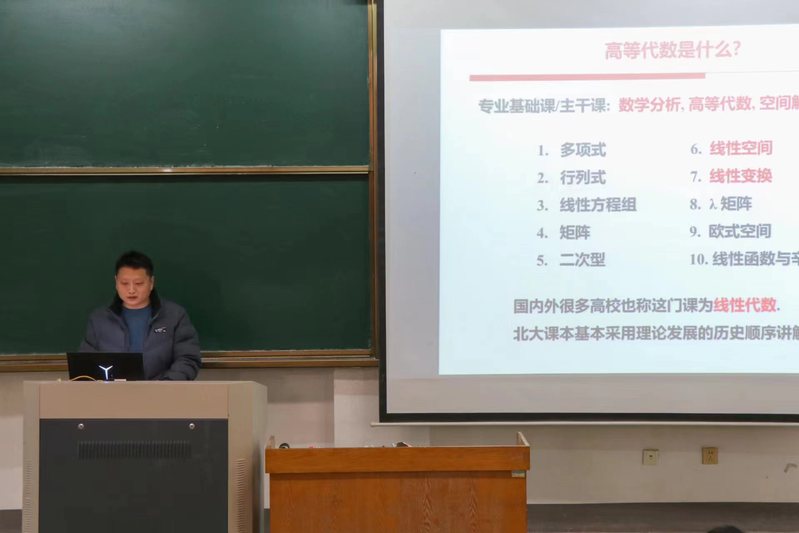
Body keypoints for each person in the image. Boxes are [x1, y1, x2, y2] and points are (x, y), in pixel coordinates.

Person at [79, 250, 201, 380]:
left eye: (139, 283)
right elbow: (86, 363)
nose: (131, 290)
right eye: (124, 283)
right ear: (116, 282)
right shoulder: (99, 319)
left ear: (151, 282)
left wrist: (166, 385)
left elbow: (188, 358)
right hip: (113, 391)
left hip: (162, 390)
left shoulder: (175, 316)